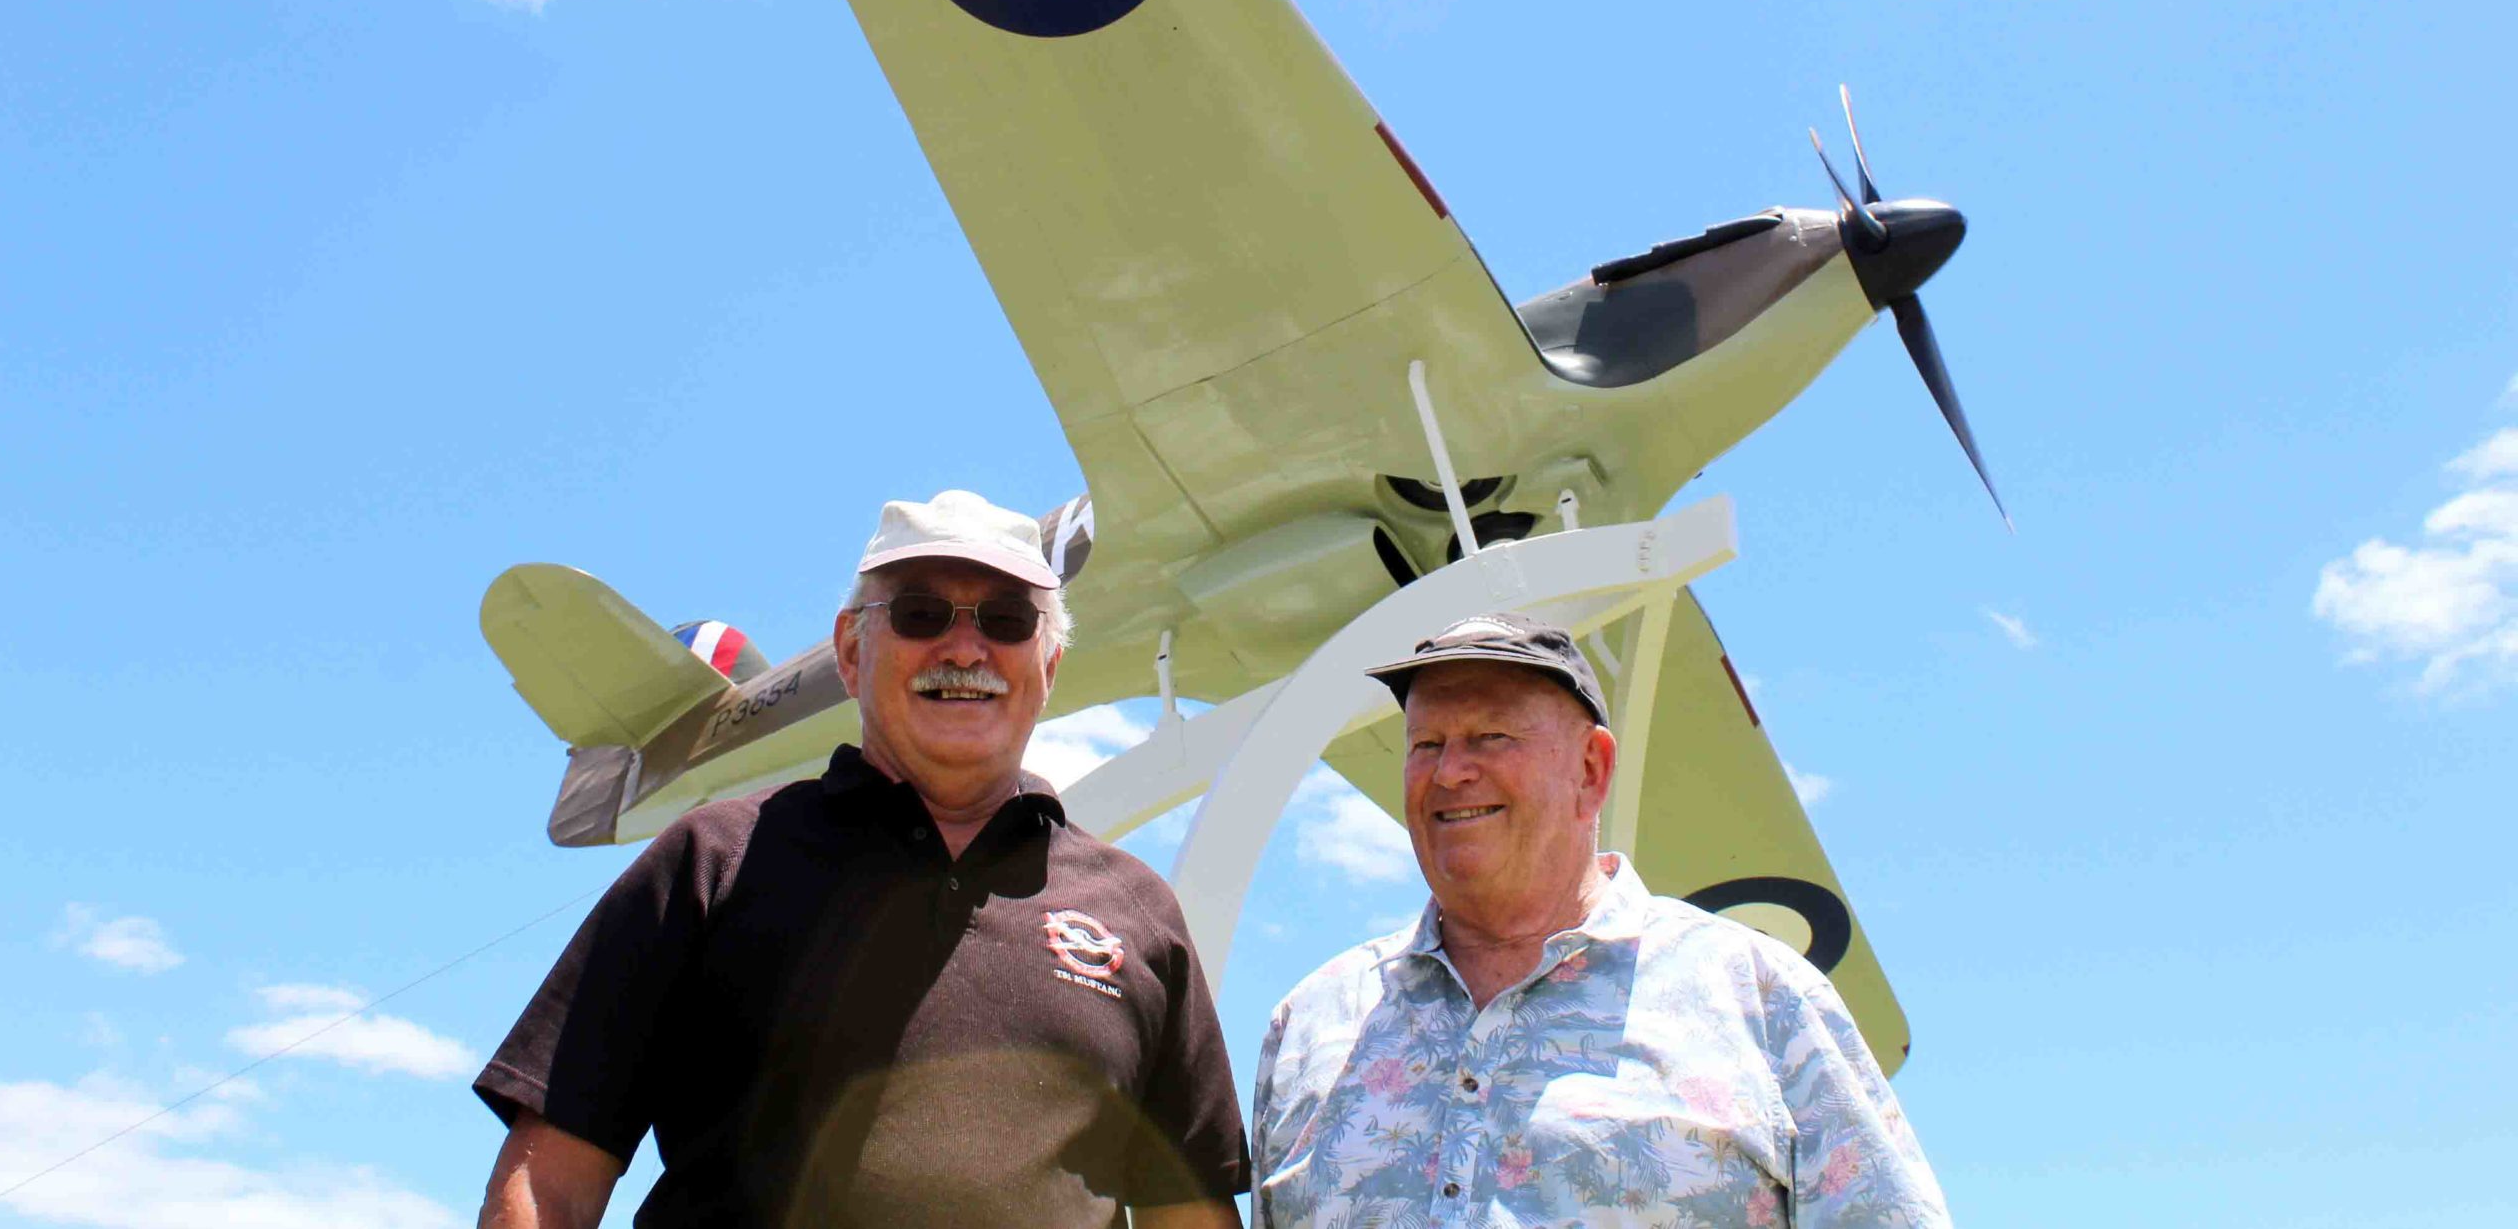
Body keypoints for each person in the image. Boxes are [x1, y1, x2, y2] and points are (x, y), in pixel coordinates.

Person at [473, 490, 1250, 1229]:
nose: (965, 645)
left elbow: (1191, 1213)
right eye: (920, 613)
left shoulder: (1141, 913)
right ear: (851, 649)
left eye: (1010, 619)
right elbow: (551, 1179)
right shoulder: (715, 857)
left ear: (1046, 670)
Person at [1252, 614, 1952, 1228]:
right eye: (1425, 743)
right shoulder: (1311, 1025)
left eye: (1489, 736)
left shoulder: (1759, 997)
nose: (1450, 771)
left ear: (1591, 768)